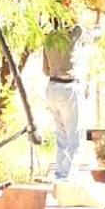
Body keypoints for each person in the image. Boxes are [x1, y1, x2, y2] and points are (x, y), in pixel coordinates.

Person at [42, 20, 83, 181]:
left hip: (51, 88)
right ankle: (69, 174)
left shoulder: (48, 40)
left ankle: (60, 172)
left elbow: (45, 70)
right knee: (74, 135)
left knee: (61, 135)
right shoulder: (72, 36)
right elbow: (80, 28)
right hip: (68, 89)